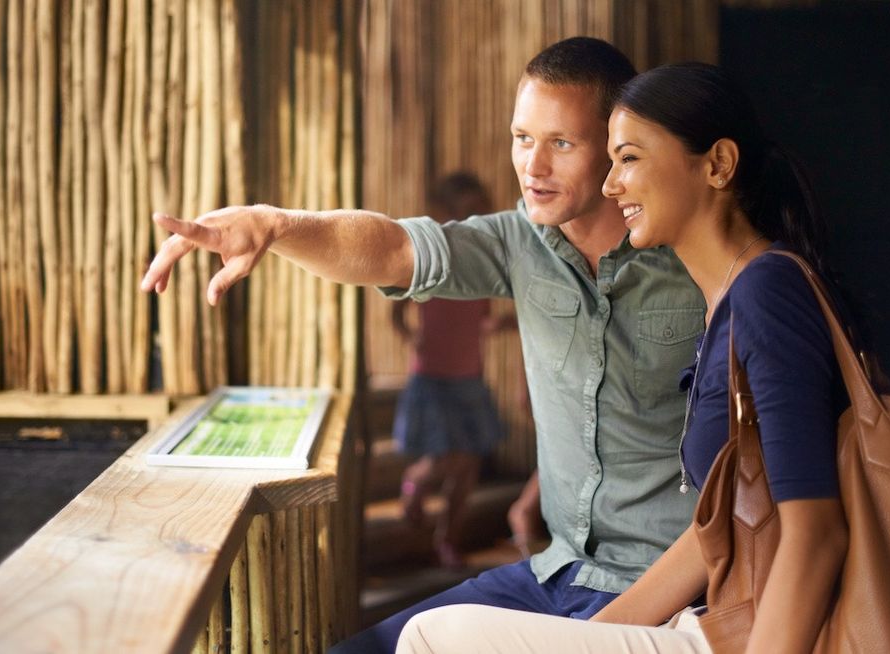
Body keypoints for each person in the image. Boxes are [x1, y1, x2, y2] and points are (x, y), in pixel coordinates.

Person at [141, 38, 705, 654]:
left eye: (561, 143)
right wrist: (277, 225)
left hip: (675, 591)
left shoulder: (698, 261)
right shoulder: (516, 243)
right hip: (555, 572)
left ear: (618, 146)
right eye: (522, 138)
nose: (533, 166)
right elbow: (390, 248)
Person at [396, 62, 849, 654]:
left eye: (629, 158)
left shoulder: (766, 291)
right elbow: (709, 535)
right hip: (698, 611)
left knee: (432, 635)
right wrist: (584, 639)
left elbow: (815, 536)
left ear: (717, 165)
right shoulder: (726, 301)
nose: (612, 185)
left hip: (738, 629)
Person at [389, 172, 507, 569]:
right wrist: (411, 335)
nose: (476, 216)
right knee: (444, 459)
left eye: (480, 208)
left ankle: (448, 537)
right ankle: (415, 484)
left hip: (468, 378)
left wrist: (511, 323)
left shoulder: (486, 265)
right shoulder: (430, 261)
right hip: (434, 377)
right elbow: (396, 308)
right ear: (444, 213)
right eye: (466, 209)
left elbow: (482, 320)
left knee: (469, 463)